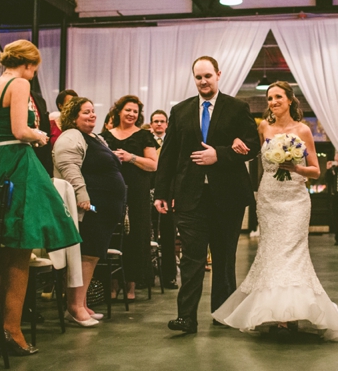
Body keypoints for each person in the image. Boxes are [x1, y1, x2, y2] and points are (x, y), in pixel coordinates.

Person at [0, 40, 81, 355]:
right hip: (17, 164)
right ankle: (11, 330)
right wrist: (39, 134)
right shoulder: (20, 83)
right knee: (20, 250)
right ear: (30, 64)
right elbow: (19, 128)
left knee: (0, 251)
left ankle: (0, 324)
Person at [212, 81, 338, 342]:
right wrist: (235, 141)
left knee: (293, 252)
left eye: (278, 97)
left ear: (290, 100)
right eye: (269, 98)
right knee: (272, 252)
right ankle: (277, 313)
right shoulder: (263, 127)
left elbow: (315, 169)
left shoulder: (303, 130)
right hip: (269, 196)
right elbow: (249, 150)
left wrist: (295, 168)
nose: (273, 102)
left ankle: (290, 314)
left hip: (295, 199)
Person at [154, 56, 260, 334]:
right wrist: (162, 192)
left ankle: (222, 314)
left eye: (208, 76)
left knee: (224, 258)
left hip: (228, 196)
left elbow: (253, 145)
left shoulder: (237, 108)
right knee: (192, 258)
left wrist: (220, 155)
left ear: (218, 75)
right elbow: (168, 155)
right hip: (190, 196)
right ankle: (186, 317)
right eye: (198, 77)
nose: (203, 81)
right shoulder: (180, 111)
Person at [53, 97, 127, 327]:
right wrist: (83, 197)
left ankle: (82, 304)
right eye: (86, 112)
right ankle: (74, 308)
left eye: (93, 111)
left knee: (92, 254)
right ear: (73, 116)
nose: (92, 115)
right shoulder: (71, 136)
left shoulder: (95, 138)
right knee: (85, 255)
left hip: (104, 208)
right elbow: (69, 168)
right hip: (91, 207)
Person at [100, 95, 157, 300]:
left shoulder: (144, 136)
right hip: (111, 190)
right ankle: (112, 285)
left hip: (137, 191)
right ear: (118, 111)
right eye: (128, 110)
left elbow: (153, 164)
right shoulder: (105, 136)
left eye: (135, 111)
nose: (132, 114)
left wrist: (131, 158)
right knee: (112, 235)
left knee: (136, 236)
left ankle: (131, 286)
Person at [149, 109, 178, 289]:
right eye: (156, 121)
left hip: (168, 194)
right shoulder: (145, 141)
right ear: (151, 124)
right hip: (148, 192)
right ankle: (148, 275)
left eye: (162, 121)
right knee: (147, 234)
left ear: (167, 124)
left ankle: (169, 276)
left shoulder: (172, 141)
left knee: (169, 236)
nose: (159, 124)